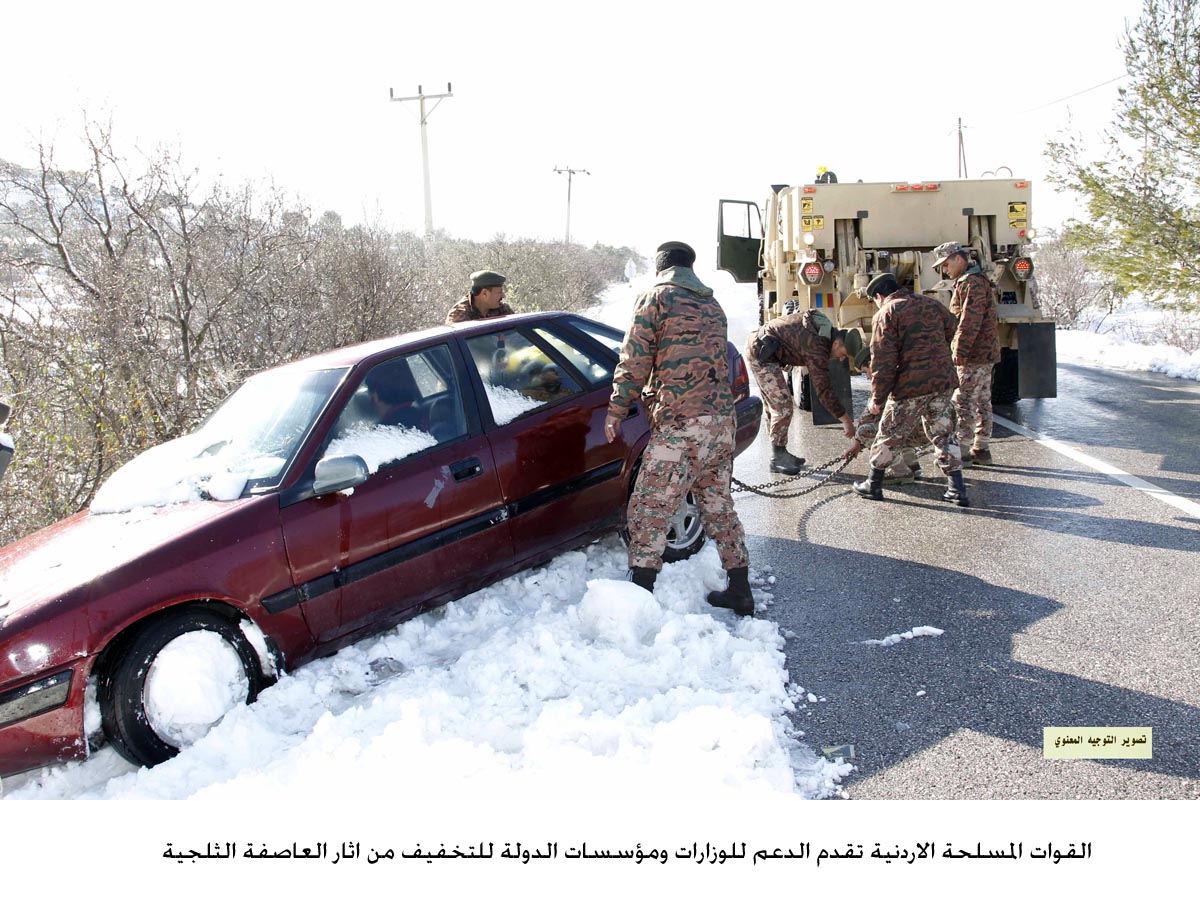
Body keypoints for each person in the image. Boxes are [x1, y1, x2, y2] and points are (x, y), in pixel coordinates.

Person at [604, 240, 753, 615]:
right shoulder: (712, 305)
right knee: (718, 506)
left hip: (681, 423)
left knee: (648, 507)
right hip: (721, 422)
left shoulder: (657, 298)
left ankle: (640, 597)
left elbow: (634, 359)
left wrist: (616, 411)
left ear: (660, 268)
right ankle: (740, 588)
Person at [852, 272, 969, 507]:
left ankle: (873, 484)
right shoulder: (932, 304)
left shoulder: (886, 313)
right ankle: (956, 488)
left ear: (879, 295)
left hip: (910, 385)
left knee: (889, 432)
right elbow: (953, 328)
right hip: (942, 381)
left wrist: (877, 397)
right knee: (943, 433)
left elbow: (882, 361)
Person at [746, 310, 862, 474]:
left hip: (765, 347)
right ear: (836, 343)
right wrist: (846, 420)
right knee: (783, 406)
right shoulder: (818, 344)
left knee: (776, 405)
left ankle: (779, 452)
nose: (842, 359)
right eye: (843, 354)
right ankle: (777, 458)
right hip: (761, 352)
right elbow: (822, 388)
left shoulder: (824, 331)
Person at [931, 241, 1001, 465]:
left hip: (973, 355)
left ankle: (960, 451)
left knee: (963, 402)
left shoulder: (972, 283)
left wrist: (958, 353)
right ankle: (981, 448)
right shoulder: (971, 281)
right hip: (982, 353)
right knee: (981, 401)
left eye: (946, 263)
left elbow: (969, 322)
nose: (944, 269)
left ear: (959, 259)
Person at [445, 270, 516, 324]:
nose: (503, 296)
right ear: (484, 293)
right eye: (499, 292)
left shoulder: (502, 309)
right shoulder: (460, 314)